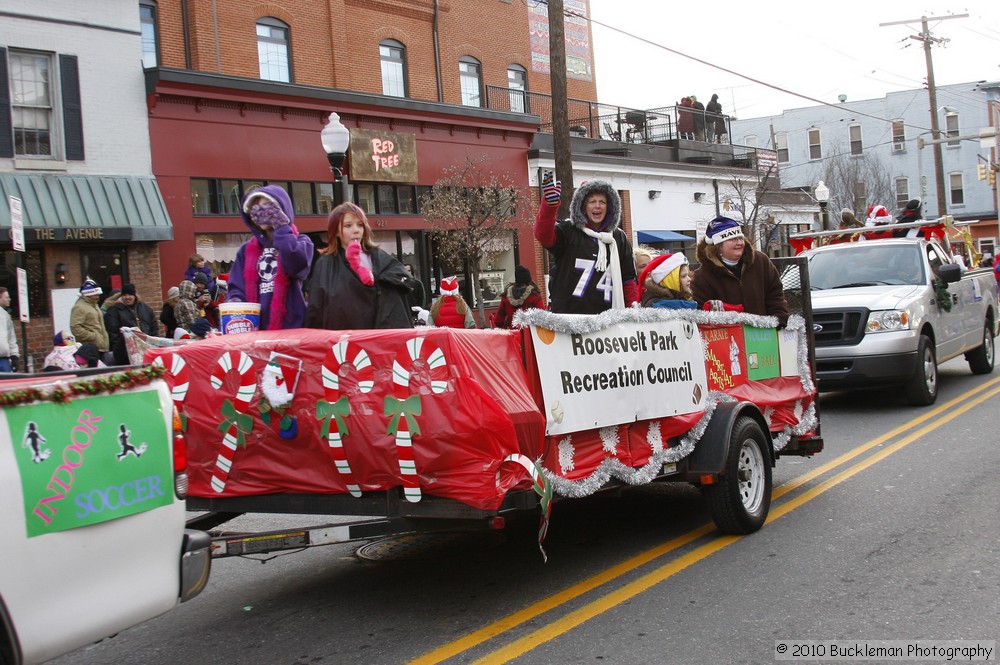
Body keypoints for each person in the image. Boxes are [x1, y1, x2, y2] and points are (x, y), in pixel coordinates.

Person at [534, 172, 639, 313]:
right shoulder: (568, 230)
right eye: (592, 201)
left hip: (608, 319)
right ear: (583, 206)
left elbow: (628, 280)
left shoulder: (618, 238)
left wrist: (633, 311)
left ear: (610, 207)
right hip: (569, 318)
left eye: (602, 202)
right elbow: (544, 236)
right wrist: (549, 206)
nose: (597, 206)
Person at [305, 202, 413, 330]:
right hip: (343, 340)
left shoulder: (380, 259)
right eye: (348, 226)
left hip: (378, 336)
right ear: (337, 231)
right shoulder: (325, 264)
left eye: (360, 225)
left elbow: (404, 285)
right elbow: (316, 308)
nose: (356, 230)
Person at [228, 185, 313, 331]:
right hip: (255, 331)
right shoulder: (245, 251)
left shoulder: (301, 241)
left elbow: (297, 266)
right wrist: (235, 303)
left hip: (291, 329)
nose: (261, 212)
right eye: (255, 208)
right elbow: (236, 288)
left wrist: (281, 227)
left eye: (267, 206)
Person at [692, 216, 789, 326]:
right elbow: (701, 314)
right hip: (728, 337)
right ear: (719, 246)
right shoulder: (703, 277)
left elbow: (775, 294)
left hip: (764, 334)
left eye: (740, 238)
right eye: (733, 239)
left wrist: (779, 320)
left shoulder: (761, 261)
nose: (739, 243)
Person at [104, 283, 160, 365]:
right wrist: (121, 350)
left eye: (130, 294)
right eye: (125, 295)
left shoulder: (145, 309)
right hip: (125, 354)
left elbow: (154, 327)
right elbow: (113, 334)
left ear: (134, 295)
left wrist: (153, 343)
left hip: (147, 350)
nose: (127, 297)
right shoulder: (114, 311)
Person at [70, 278, 110, 360]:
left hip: (100, 347)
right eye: (96, 294)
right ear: (88, 294)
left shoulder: (94, 305)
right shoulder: (79, 307)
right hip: (91, 349)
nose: (98, 296)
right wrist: (93, 336)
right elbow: (75, 328)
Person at [0, 287, 19, 372]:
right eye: (6, 297)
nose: (9, 299)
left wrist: (14, 355)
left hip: (3, 359)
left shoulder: (5, 316)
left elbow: (11, 337)